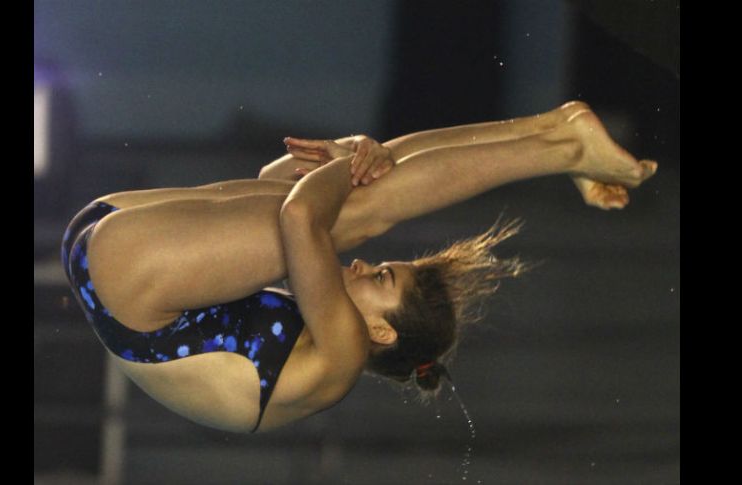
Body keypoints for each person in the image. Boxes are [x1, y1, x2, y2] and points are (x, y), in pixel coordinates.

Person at [61, 102, 656, 434]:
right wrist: (353, 155)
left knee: (358, 206)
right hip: (110, 258)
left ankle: (564, 144)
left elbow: (299, 218)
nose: (365, 267)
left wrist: (349, 162)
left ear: (382, 332)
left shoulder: (341, 353)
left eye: (380, 281)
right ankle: (552, 130)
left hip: (123, 278)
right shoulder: (322, 326)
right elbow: (278, 187)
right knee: (361, 191)